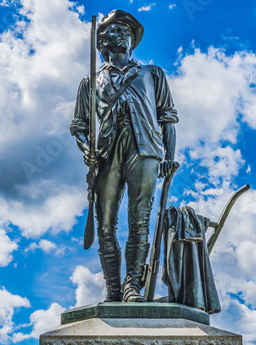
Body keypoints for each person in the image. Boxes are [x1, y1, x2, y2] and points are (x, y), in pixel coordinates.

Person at [70, 10, 178, 302]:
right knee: (105, 224)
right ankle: (113, 288)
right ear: (103, 40)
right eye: (117, 30)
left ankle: (133, 287)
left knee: (139, 219)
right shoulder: (89, 82)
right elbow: (79, 126)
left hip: (144, 150)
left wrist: (169, 155)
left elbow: (167, 118)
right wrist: (86, 151)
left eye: (128, 32)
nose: (124, 35)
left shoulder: (153, 75)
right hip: (106, 154)